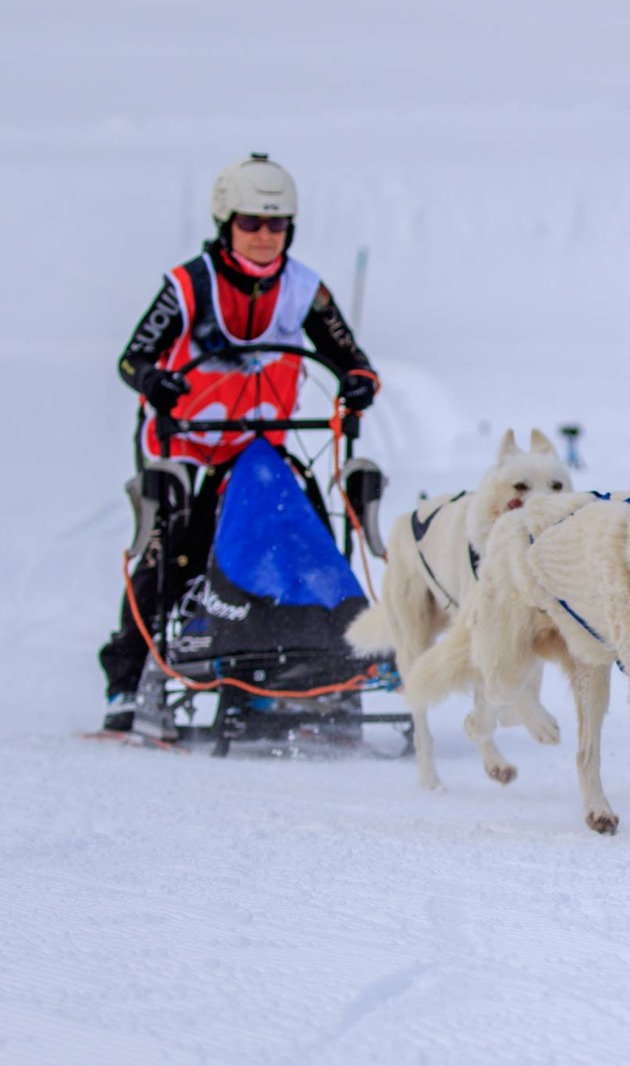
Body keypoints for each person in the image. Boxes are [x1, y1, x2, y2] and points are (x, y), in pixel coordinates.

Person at [98, 153, 380, 731]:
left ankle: (314, 658)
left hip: (258, 446)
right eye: (250, 223)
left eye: (276, 225)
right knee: (166, 548)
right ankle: (128, 680)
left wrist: (357, 382)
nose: (263, 236)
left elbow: (352, 359)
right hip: (187, 444)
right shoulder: (186, 287)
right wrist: (153, 379)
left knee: (305, 532)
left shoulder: (305, 290)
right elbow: (134, 358)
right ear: (226, 224)